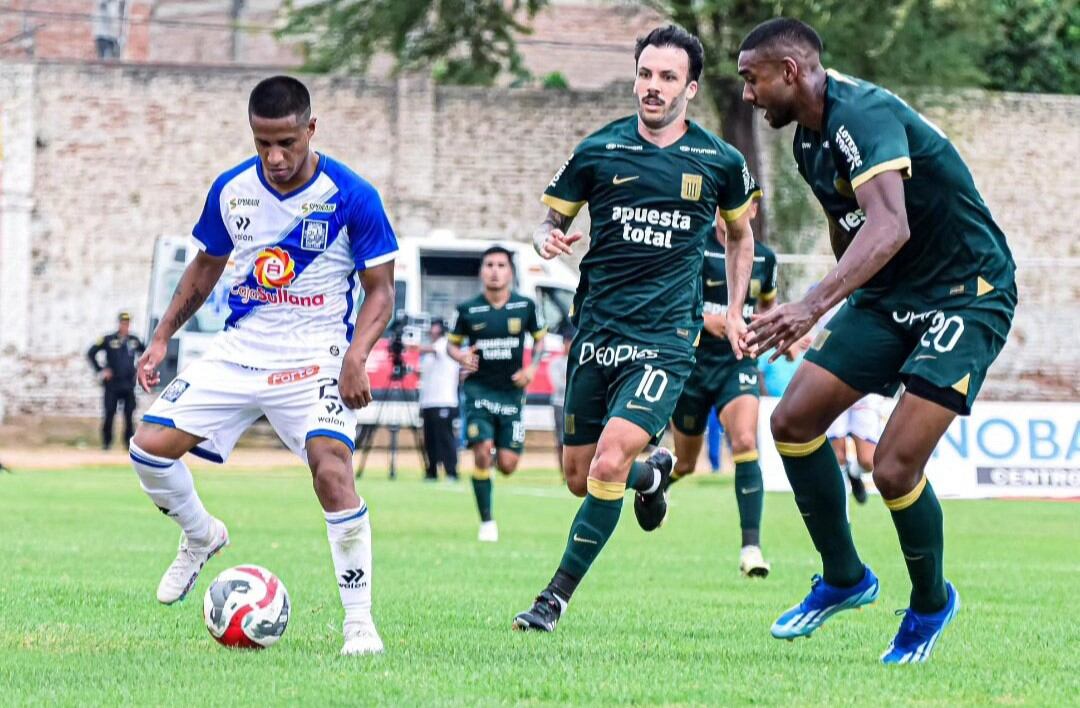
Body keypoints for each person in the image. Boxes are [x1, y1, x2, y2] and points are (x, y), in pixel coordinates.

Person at [738, 18, 1016, 663]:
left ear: (791, 72)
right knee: (794, 420)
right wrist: (844, 308)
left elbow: (888, 226)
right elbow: (852, 228)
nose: (747, 95)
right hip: (891, 296)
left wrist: (811, 305)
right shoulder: (808, 140)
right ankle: (844, 578)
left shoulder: (858, 115)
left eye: (752, 80)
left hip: (965, 291)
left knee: (892, 467)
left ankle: (928, 605)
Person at [129, 76, 397, 657]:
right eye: (262, 144)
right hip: (242, 348)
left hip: (317, 355)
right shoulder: (231, 191)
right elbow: (205, 269)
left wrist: (356, 355)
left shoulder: (352, 195)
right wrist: (160, 336)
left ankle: (358, 624)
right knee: (147, 447)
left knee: (331, 469)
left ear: (311, 129)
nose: (275, 158)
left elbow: (382, 292)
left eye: (287, 143)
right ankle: (201, 535)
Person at [513, 25, 762, 633]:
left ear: (691, 88)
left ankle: (552, 600)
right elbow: (552, 222)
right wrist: (548, 239)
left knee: (605, 461)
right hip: (596, 333)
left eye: (668, 77)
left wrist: (731, 310)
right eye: (646, 75)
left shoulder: (720, 161)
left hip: (665, 341)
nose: (653, 88)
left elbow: (741, 236)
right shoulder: (598, 150)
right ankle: (653, 477)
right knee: (579, 478)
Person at [666, 199, 777, 578]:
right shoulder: (694, 248)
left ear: (754, 211)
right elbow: (669, 302)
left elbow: (766, 304)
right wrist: (707, 319)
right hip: (692, 365)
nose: (732, 211)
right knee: (684, 462)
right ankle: (655, 486)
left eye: (744, 205)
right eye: (726, 205)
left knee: (745, 441)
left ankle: (751, 549)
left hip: (737, 363)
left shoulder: (764, 259)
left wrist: (774, 330)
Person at [447, 246, 546, 542]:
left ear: (510, 272)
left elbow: (540, 341)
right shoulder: (467, 310)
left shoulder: (525, 307)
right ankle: (487, 522)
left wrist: (531, 369)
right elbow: (452, 345)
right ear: (481, 271)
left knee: (507, 465)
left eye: (501, 265)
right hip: (478, 390)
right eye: (489, 264)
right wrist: (461, 356)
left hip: (512, 393)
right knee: (481, 450)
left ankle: (500, 461)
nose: (494, 270)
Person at [87, 311, 145, 450]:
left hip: (128, 384)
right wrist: (101, 370)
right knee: (109, 414)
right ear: (119, 323)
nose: (125, 326)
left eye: (127, 323)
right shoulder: (108, 339)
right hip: (112, 384)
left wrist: (141, 368)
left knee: (129, 415)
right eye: (123, 323)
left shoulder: (134, 340)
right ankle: (107, 443)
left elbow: (147, 352)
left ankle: (128, 444)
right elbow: (91, 353)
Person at [418, 318, 460, 481]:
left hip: (444, 401)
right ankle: (432, 470)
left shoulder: (445, 344)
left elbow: (429, 349)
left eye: (434, 327)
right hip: (429, 401)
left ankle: (451, 471)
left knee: (445, 437)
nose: (430, 330)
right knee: (430, 439)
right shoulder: (430, 354)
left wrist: (410, 346)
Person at [548, 323, 575, 479]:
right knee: (561, 438)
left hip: (574, 405)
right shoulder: (556, 363)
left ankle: (573, 469)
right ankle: (563, 472)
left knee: (572, 438)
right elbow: (558, 385)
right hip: (560, 404)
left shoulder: (578, 362)